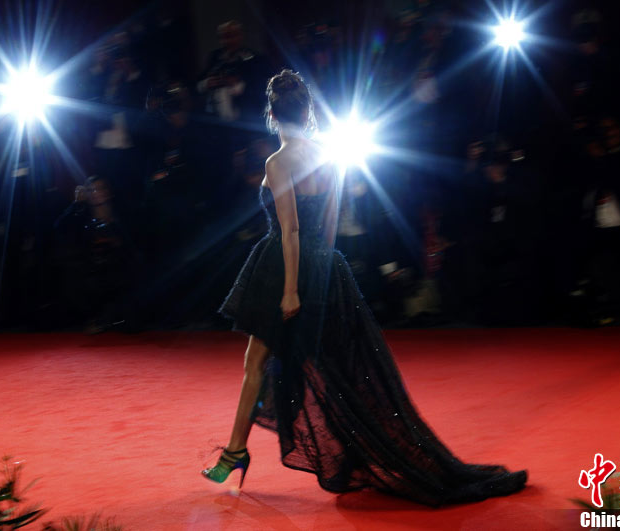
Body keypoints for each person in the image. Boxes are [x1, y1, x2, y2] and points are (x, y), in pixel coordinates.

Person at [201, 69, 528, 506]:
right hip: (326, 266)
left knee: (258, 365)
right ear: (308, 111)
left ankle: (238, 454)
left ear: (272, 115)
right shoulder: (328, 155)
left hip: (284, 270)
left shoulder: (278, 162)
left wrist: (292, 289)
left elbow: (290, 230)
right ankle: (255, 452)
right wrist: (323, 267)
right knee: (339, 370)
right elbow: (330, 220)